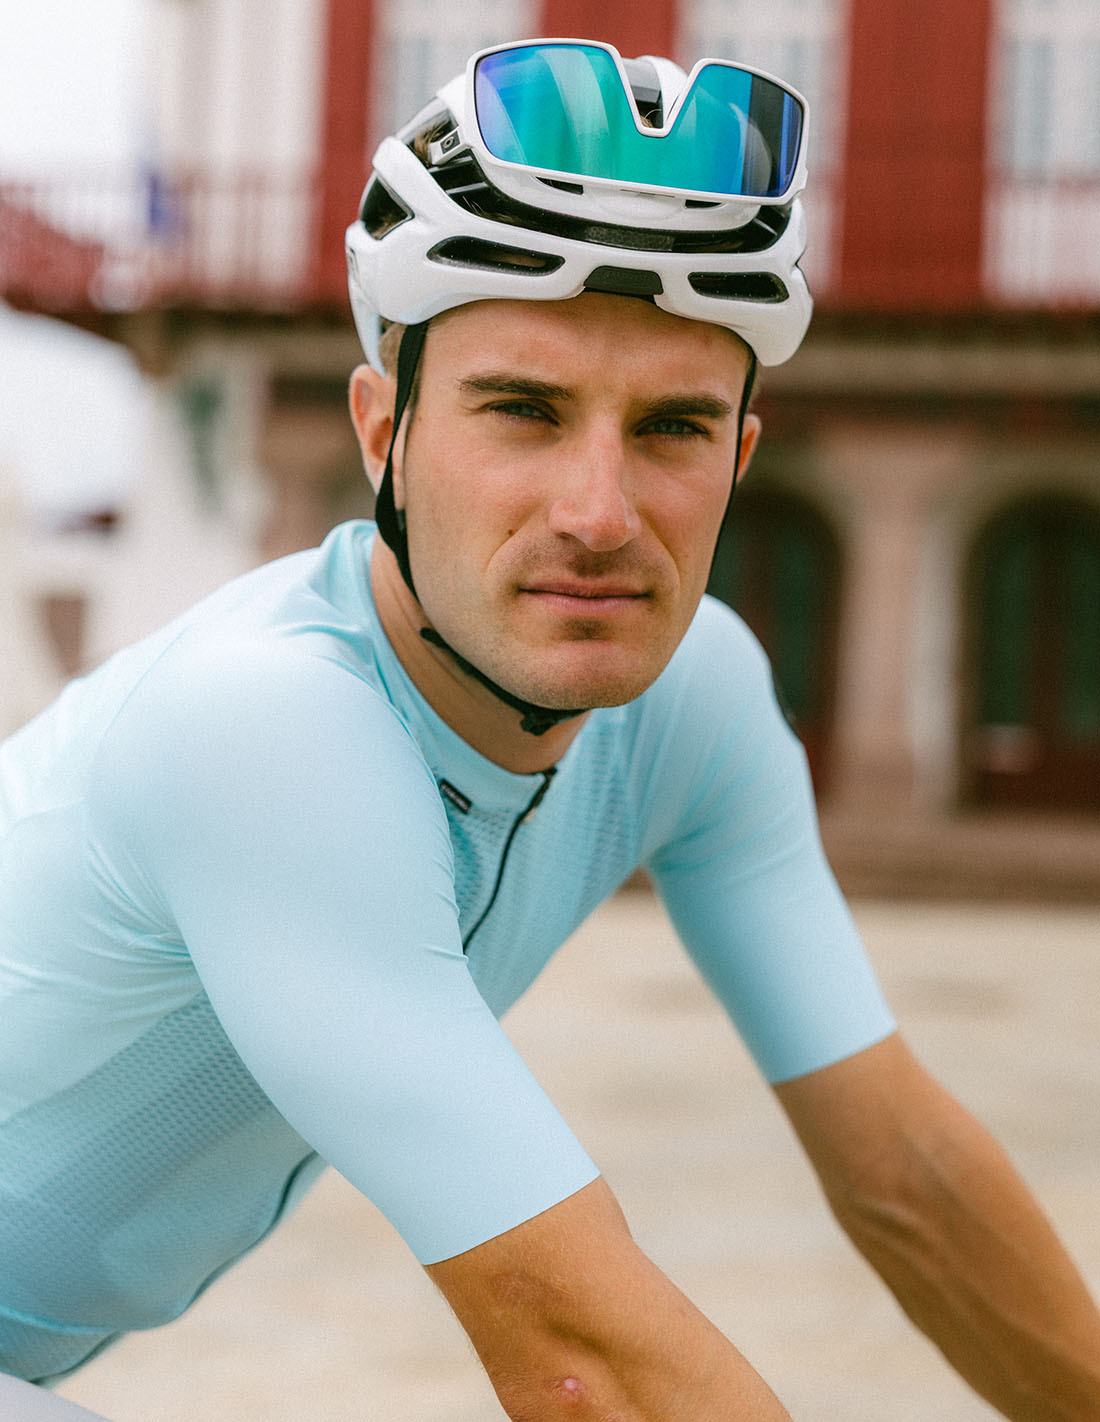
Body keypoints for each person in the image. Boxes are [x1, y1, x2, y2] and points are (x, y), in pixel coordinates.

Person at [1, 38, 1098, 1421]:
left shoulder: (696, 693)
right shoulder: (267, 727)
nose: (599, 512)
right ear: (383, 434)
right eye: (522, 410)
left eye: (673, 427)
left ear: (740, 460)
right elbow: (590, 1365)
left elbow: (908, 1178)